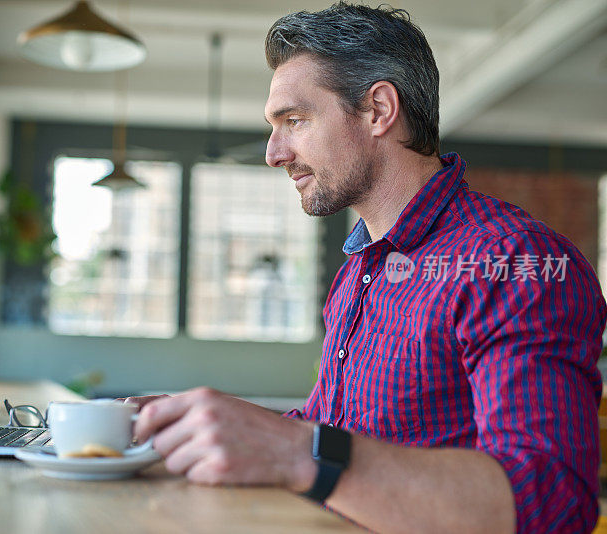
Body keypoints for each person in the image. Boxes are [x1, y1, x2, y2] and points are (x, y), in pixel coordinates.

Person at [129, 3, 607, 532]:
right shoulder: (363, 267)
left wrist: (295, 450)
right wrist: (193, 426)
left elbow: (553, 504)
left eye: (295, 120)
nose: (273, 152)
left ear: (378, 110)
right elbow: (330, 430)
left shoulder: (515, 262)